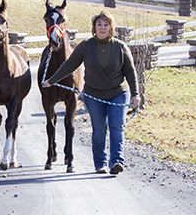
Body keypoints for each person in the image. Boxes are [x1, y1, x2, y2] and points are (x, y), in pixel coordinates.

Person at [42, 10, 140, 175]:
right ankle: (100, 164)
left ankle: (116, 161)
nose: (102, 28)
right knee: (99, 129)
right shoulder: (86, 46)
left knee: (116, 127)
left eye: (106, 24)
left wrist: (135, 93)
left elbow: (130, 71)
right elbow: (69, 66)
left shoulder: (120, 47)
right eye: (99, 24)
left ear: (111, 27)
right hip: (94, 95)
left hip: (118, 93)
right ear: (94, 27)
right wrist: (51, 80)